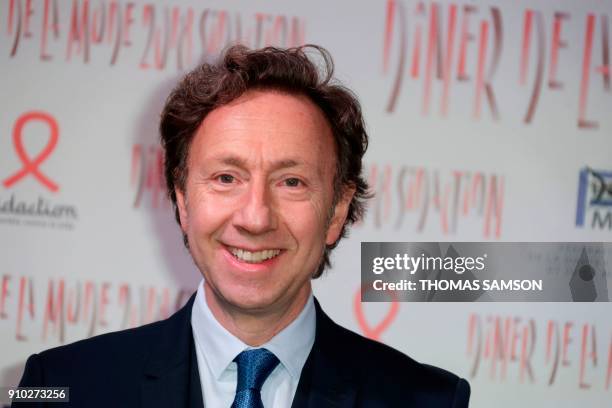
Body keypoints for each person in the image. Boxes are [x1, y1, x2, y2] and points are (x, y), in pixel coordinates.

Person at [14, 45, 470, 407]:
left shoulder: (428, 400)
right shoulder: (58, 387)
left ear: (335, 211)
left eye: (291, 182)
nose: (255, 218)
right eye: (226, 178)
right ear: (183, 199)